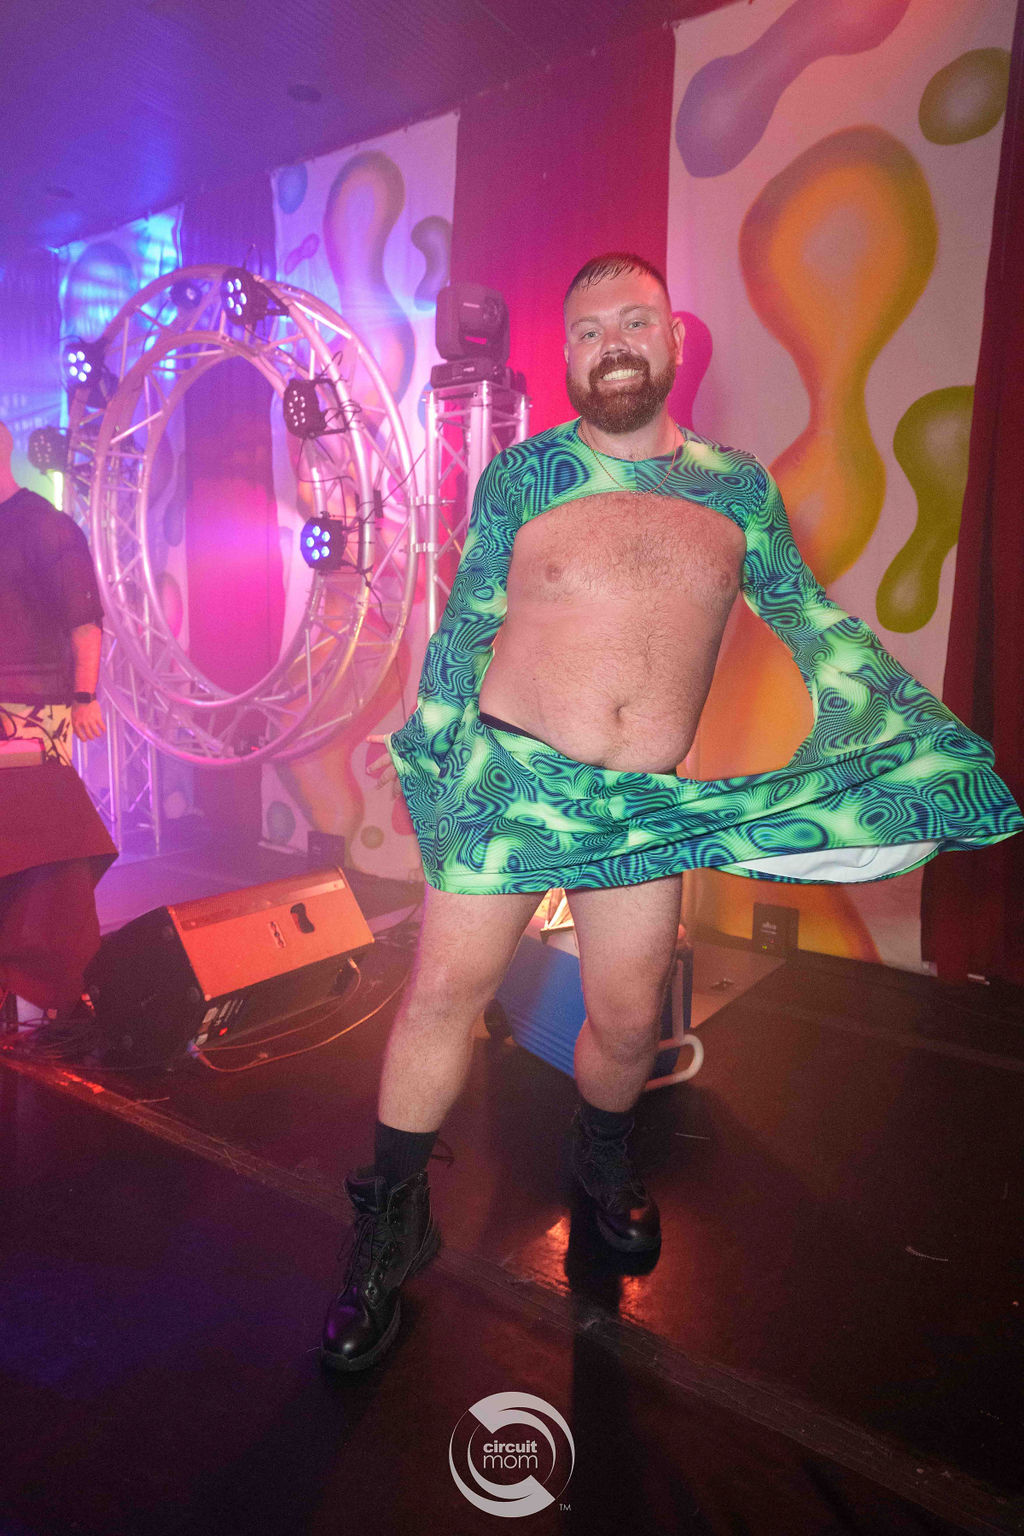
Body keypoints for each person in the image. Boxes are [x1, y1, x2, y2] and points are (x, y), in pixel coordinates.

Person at [320, 253, 1022, 1371]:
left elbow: (813, 626)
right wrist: (434, 764)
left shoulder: (737, 490)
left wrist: (917, 740)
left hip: (646, 809)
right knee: (442, 997)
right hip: (510, 786)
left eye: (633, 321)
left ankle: (600, 1157)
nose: (612, 343)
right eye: (588, 328)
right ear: (567, 355)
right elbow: (463, 630)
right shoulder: (525, 475)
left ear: (674, 341)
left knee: (626, 1017)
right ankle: (390, 1225)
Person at [0, 421, 116, 1025]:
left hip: (32, 717)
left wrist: (84, 696)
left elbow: (84, 621)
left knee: (44, 864)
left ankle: (56, 994)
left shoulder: (45, 525)